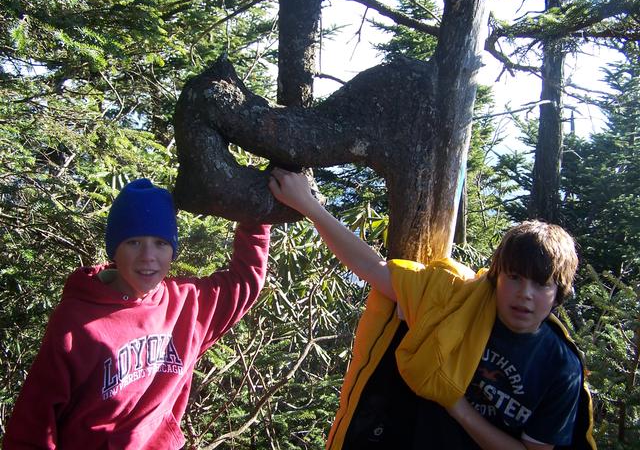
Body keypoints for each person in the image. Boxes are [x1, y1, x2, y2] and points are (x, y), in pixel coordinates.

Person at [268, 168, 595, 450]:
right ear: (496, 277)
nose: (524, 294)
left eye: (541, 284)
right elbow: (374, 267)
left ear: (559, 293)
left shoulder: (560, 368)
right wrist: (309, 206)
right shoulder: (458, 301)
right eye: (514, 277)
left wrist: (457, 406)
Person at [3, 178, 271, 449]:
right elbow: (33, 423)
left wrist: (259, 212)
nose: (148, 256)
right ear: (114, 249)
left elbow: (245, 280)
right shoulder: (76, 322)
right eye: (133, 242)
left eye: (160, 243)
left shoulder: (188, 305)